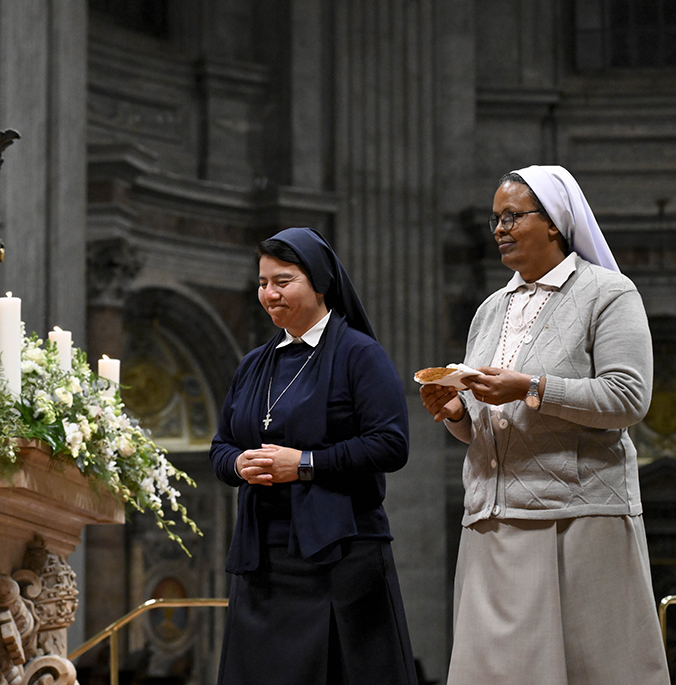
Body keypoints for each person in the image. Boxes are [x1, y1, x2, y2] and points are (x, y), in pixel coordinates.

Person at [420, 165, 668, 684]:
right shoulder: (491, 310)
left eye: (512, 217)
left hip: (578, 518)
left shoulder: (608, 293)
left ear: (554, 221)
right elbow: (494, 419)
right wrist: (460, 414)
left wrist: (530, 387)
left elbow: (628, 397)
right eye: (494, 220)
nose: (499, 230)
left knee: (592, 671)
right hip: (492, 519)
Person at [210, 227, 418, 685]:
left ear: (319, 281)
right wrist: (238, 464)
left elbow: (391, 444)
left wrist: (304, 465)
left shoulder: (359, 355)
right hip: (262, 560)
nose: (269, 293)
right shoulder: (253, 365)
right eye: (263, 283)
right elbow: (221, 445)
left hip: (338, 557)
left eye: (282, 281)